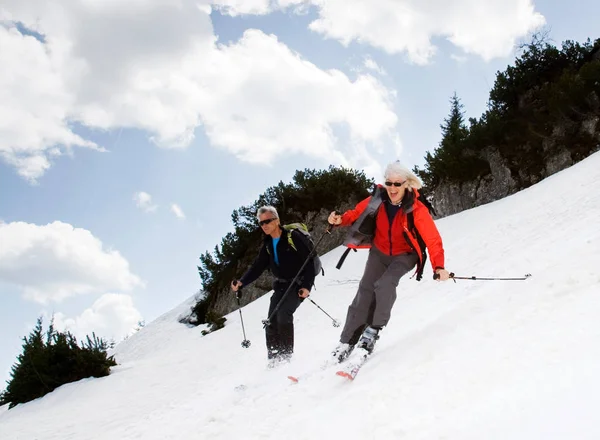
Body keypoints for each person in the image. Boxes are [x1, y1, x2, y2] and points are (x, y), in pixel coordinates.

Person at [328, 161, 451, 362]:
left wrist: (439, 266)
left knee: (385, 284)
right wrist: (339, 220)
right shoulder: (376, 200)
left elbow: (433, 240)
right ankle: (346, 342)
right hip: (379, 252)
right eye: (389, 183)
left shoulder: (416, 209)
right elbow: (355, 214)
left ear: (407, 185)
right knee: (365, 291)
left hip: (405, 255)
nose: (392, 188)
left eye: (397, 184)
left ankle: (371, 334)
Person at [231, 206, 316, 367]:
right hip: (281, 286)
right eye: (261, 223)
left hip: (298, 283)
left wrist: (307, 286)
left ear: (277, 221)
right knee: (270, 321)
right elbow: (257, 267)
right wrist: (242, 282)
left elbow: (309, 262)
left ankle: (285, 359)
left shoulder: (293, 237)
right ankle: (274, 360)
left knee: (284, 314)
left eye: (268, 221)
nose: (264, 225)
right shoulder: (268, 245)